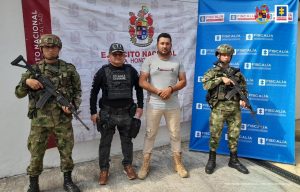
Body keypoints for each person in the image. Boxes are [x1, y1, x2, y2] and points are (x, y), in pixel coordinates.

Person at [15, 34, 82, 192]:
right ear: (42, 49)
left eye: (53, 47)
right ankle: (33, 184)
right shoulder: (33, 70)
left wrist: (72, 105)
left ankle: (67, 181)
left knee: (66, 151)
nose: (50, 50)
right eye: (47, 47)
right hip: (40, 120)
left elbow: (78, 91)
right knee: (36, 152)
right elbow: (18, 93)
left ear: (59, 48)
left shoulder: (69, 68)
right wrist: (27, 82)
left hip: (62, 119)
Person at [90, 43, 144, 185]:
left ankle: (127, 165)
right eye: (115, 54)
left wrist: (140, 106)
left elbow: (139, 89)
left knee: (127, 142)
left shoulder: (131, 71)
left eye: (121, 54)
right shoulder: (102, 72)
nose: (118, 57)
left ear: (125, 56)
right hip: (108, 114)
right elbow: (94, 92)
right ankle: (104, 170)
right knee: (105, 143)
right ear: (109, 56)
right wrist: (93, 112)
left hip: (127, 113)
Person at [138, 33, 188, 179]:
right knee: (150, 134)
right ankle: (145, 164)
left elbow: (183, 81)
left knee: (175, 133)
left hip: (172, 104)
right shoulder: (149, 60)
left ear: (171, 45)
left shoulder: (177, 61)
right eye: (162, 43)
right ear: (157, 45)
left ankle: (178, 163)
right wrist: (158, 91)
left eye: (167, 43)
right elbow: (142, 81)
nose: (165, 46)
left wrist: (170, 89)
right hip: (154, 103)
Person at [202, 44, 249, 175]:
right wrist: (220, 79)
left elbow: (244, 88)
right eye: (223, 55)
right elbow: (205, 85)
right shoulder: (212, 72)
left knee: (234, 135)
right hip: (219, 109)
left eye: (228, 55)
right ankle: (212, 160)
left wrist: (243, 99)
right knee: (215, 135)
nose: (226, 57)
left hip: (234, 109)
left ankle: (233, 160)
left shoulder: (237, 73)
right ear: (218, 55)